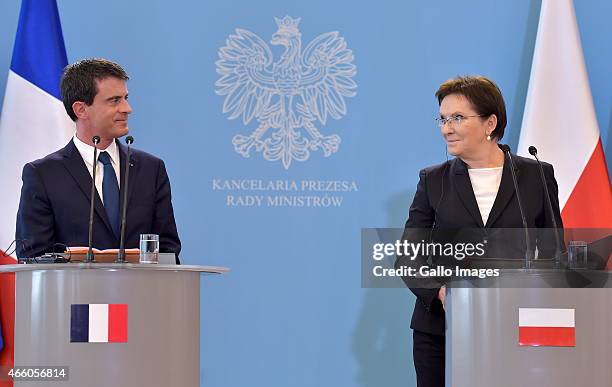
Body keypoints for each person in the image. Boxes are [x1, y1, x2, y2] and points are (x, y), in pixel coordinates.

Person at [396, 75, 563, 387]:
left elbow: (556, 256)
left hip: (516, 329)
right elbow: (408, 258)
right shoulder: (433, 180)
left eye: (458, 118)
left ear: (490, 124)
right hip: (442, 331)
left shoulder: (536, 175)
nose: (447, 128)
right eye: (443, 119)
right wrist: (442, 293)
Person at [15, 58, 181, 263]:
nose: (127, 108)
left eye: (126, 98)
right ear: (81, 110)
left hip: (140, 294)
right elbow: (34, 257)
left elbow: (168, 251)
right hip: (72, 294)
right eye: (115, 100)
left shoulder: (151, 169)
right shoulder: (43, 174)